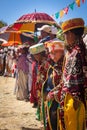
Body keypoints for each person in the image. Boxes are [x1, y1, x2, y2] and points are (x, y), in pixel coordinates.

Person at [48, 18, 87, 130]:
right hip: (72, 100)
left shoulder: (76, 53)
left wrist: (57, 93)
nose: (64, 38)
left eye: (65, 34)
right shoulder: (75, 51)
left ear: (70, 34)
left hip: (74, 102)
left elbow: (70, 83)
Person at [42, 39, 64, 130]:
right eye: (51, 53)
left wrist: (54, 93)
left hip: (60, 103)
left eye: (55, 53)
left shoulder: (65, 67)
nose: (53, 56)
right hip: (51, 102)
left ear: (62, 52)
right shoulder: (52, 67)